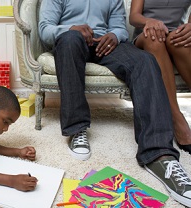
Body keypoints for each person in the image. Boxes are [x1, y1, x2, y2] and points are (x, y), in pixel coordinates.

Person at [38, 0, 191, 206]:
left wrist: (114, 36)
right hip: (71, 42)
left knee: (145, 61)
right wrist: (71, 28)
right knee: (70, 40)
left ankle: (159, 154)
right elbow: (45, 29)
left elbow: (120, 28)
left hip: (105, 45)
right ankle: (77, 129)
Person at [129, 0, 191, 154]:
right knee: (155, 39)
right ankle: (177, 119)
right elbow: (134, 17)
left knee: (180, 43)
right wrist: (149, 21)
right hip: (146, 35)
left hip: (175, 34)